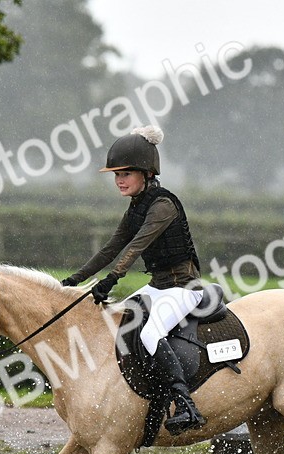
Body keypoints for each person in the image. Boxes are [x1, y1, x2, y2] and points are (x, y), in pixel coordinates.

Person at [62, 125, 206, 434]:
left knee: (150, 334)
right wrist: (75, 279)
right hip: (157, 287)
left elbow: (136, 246)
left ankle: (185, 405)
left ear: (147, 173)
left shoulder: (163, 205)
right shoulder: (136, 207)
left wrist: (112, 279)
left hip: (184, 288)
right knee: (114, 326)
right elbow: (111, 247)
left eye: (126, 174)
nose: (119, 180)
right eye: (116, 175)